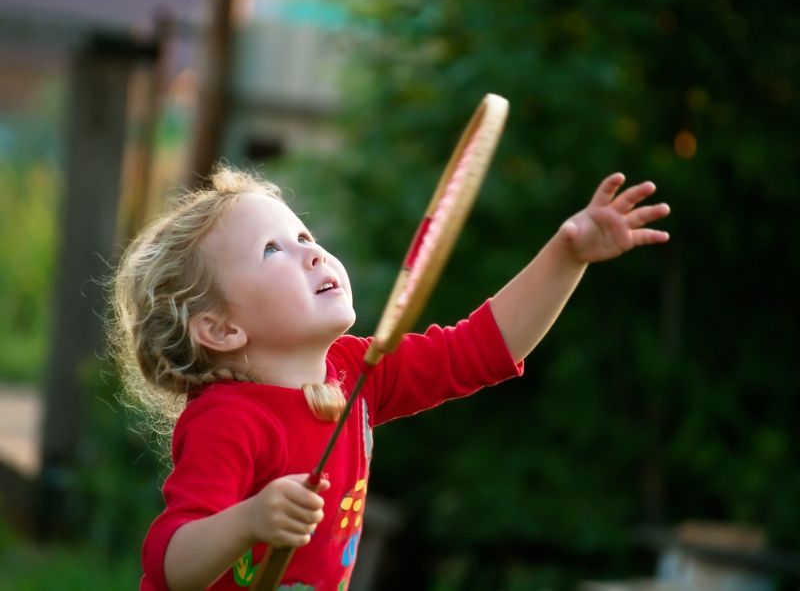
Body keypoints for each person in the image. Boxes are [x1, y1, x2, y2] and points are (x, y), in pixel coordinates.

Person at [111, 167, 669, 591]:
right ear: (221, 327)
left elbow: (479, 349)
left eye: (305, 237)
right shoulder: (228, 419)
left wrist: (567, 255)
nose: (310, 254)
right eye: (272, 250)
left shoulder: (357, 373)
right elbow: (169, 559)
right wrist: (248, 520)